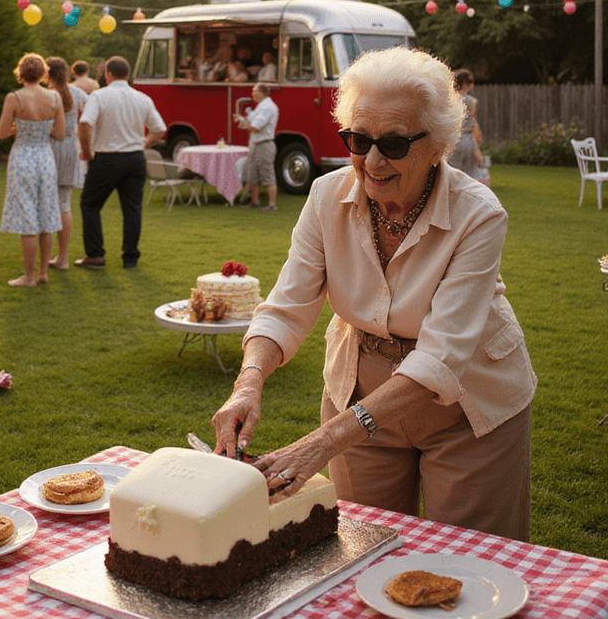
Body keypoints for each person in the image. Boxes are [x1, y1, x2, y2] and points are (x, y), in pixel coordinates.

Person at [212, 46, 536, 542]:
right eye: (358, 140)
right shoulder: (325, 197)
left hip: (471, 404)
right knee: (363, 549)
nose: (372, 160)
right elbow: (285, 309)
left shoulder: (479, 214)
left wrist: (323, 442)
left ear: (440, 144)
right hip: (358, 389)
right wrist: (248, 383)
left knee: (472, 560)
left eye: (394, 144)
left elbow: (442, 358)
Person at [75, 56, 166, 269]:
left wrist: (87, 151)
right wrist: (144, 144)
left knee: (90, 204)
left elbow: (85, 122)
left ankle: (96, 255)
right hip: (134, 158)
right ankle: (131, 258)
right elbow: (159, 128)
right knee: (132, 209)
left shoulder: (98, 96)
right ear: (128, 74)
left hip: (106, 157)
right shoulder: (142, 98)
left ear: (108, 74)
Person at [0, 53, 66, 287]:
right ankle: (43, 273)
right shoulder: (54, 97)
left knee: (28, 217)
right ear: (43, 73)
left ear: (21, 73)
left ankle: (28, 276)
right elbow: (59, 133)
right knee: (46, 214)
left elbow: (1, 132)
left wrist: (18, 127)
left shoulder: (14, 97)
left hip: (22, 159)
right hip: (45, 159)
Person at [46, 56, 88, 270]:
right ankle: (62, 257)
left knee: (46, 201)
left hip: (50, 146)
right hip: (71, 147)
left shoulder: (47, 95)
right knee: (64, 203)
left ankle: (47, 254)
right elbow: (90, 117)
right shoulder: (78, 93)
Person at [235, 82, 279, 210]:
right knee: (253, 175)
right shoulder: (261, 106)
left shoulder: (268, 107)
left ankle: (271, 204)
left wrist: (244, 125)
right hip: (256, 144)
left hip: (264, 145)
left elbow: (256, 126)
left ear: (262, 92)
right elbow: (252, 120)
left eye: (255, 92)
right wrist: (242, 119)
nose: (253, 94)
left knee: (267, 175)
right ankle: (254, 202)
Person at [447, 69, 484, 179]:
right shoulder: (471, 101)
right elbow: (473, 121)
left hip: (454, 138)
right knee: (470, 173)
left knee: (453, 172)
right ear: (464, 83)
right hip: (467, 138)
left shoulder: (449, 100)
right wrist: (478, 137)